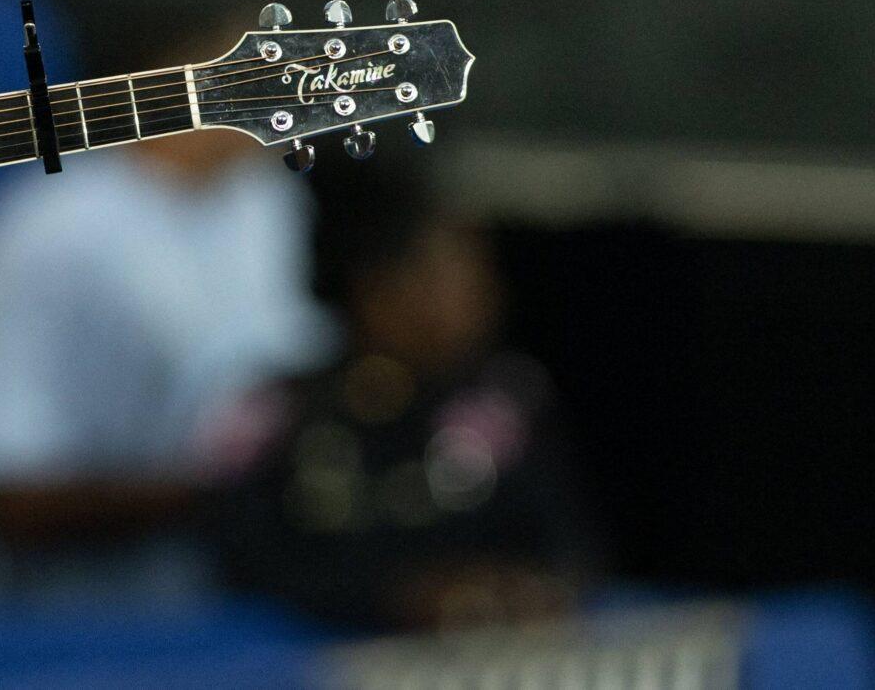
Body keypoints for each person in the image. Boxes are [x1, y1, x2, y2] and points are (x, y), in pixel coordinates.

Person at [0, 16, 328, 602]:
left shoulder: (267, 200)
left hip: (235, 587)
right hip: (56, 608)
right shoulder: (45, 227)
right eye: (252, 65)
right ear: (161, 70)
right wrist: (222, 494)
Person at [201, 153, 602, 632]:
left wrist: (522, 586)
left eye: (478, 276)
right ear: (372, 288)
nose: (474, 300)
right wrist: (392, 595)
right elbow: (242, 562)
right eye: (439, 280)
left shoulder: (505, 400)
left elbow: (568, 543)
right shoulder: (277, 412)